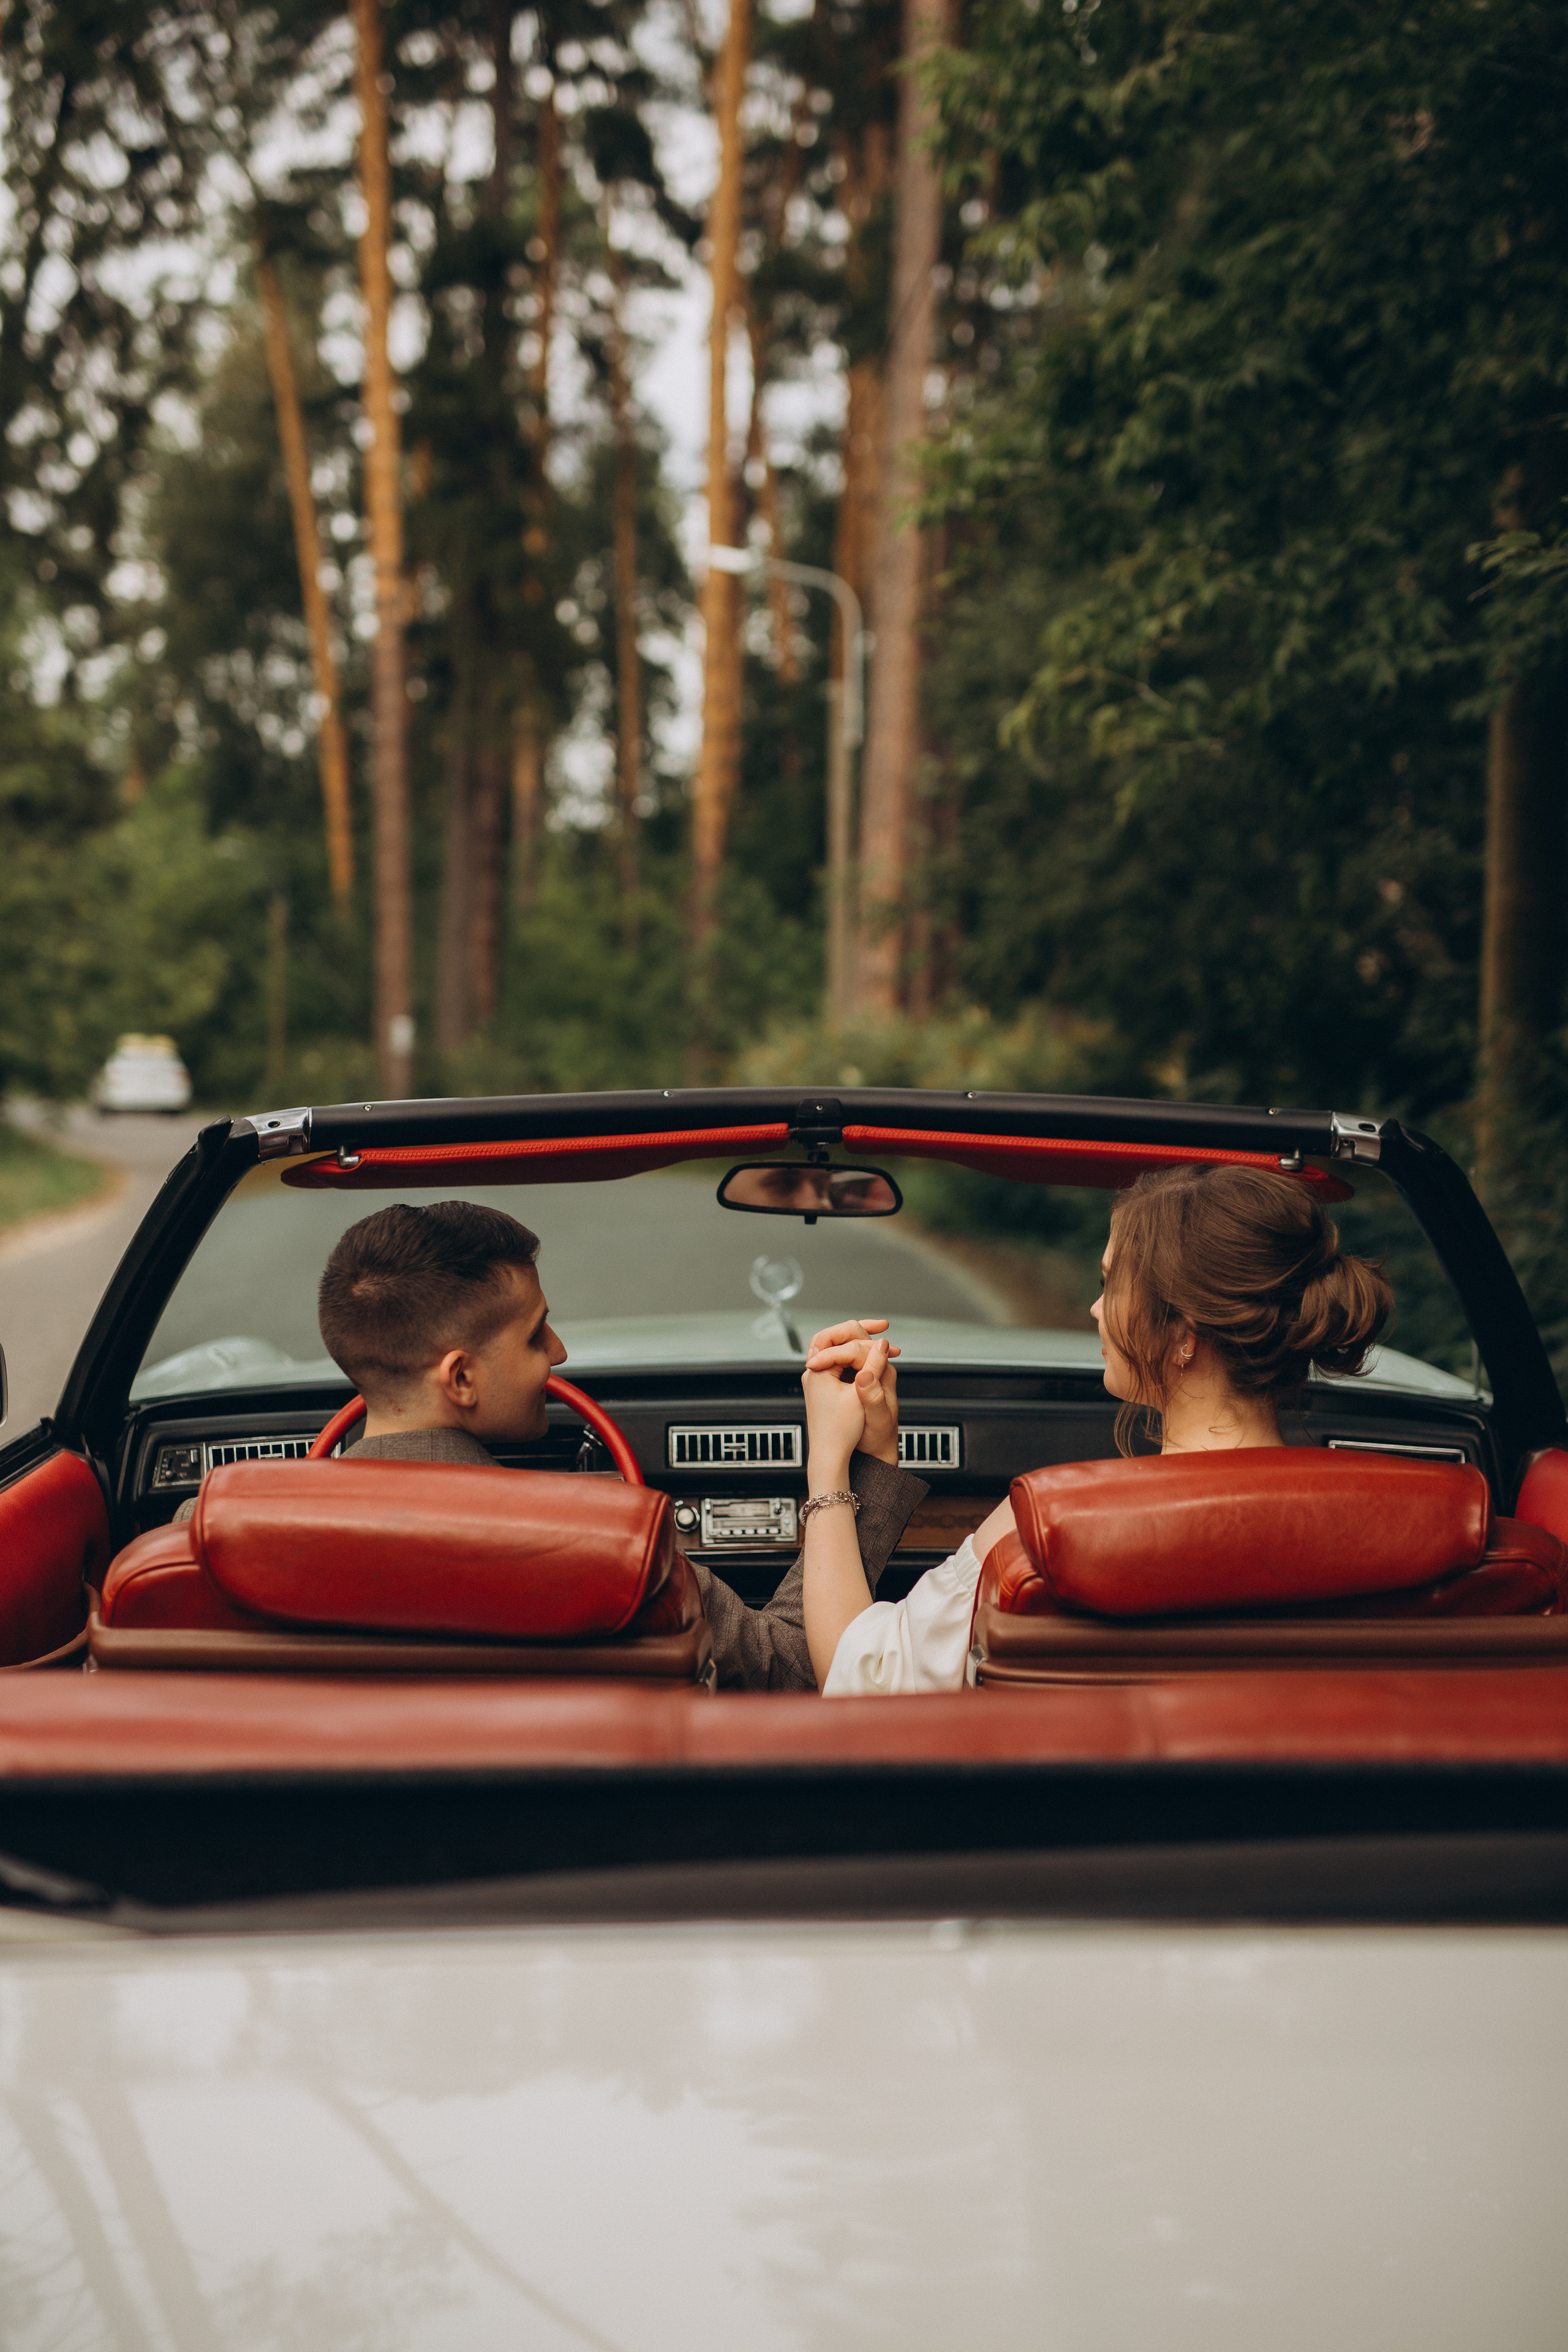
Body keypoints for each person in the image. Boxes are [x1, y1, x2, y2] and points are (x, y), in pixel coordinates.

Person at [801, 1161, 1395, 1696]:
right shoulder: (1385, 1527)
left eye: (1112, 1284)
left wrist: (830, 1463)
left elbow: (860, 1679)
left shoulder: (1050, 1523)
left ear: (1184, 1335)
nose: (1095, 1308)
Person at [309, 1199, 929, 1691]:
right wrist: (857, 1467)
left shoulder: (250, 1540)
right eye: (535, 1336)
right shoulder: (607, 1549)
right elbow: (798, 1668)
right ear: (461, 1378)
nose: (559, 1352)